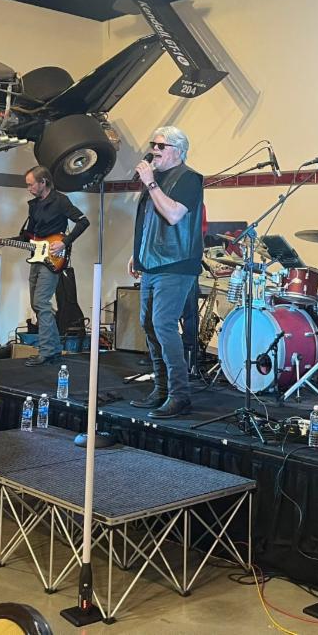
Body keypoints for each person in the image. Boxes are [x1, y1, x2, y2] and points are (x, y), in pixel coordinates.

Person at [129, 126, 205, 418]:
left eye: (161, 146)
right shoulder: (156, 180)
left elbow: (173, 215)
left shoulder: (189, 178)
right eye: (153, 144)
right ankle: (161, 389)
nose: (154, 150)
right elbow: (149, 221)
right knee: (148, 324)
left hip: (176, 263)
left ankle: (179, 395)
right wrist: (137, 254)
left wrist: (150, 183)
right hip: (151, 262)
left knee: (163, 324)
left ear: (178, 151)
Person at [19, 165, 90, 367]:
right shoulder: (34, 205)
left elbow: (83, 222)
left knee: (41, 302)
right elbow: (28, 235)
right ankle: (54, 349)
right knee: (37, 304)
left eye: (31, 184)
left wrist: (64, 242)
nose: (29, 188)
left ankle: (47, 351)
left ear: (43, 182)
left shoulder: (60, 201)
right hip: (36, 256)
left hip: (53, 258)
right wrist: (3, 240)